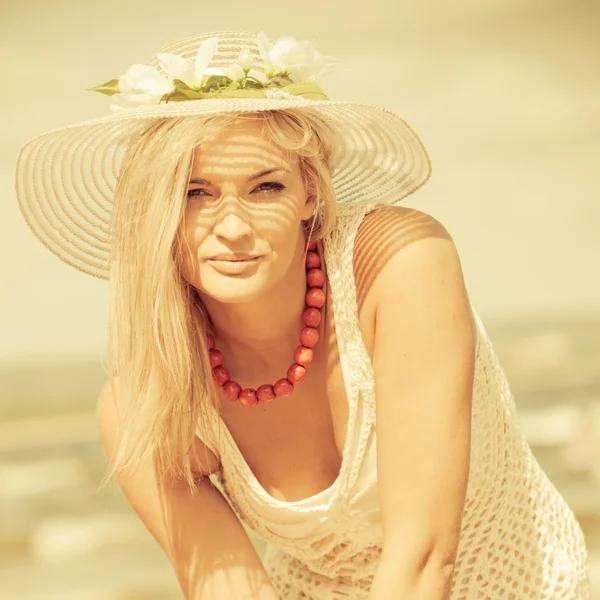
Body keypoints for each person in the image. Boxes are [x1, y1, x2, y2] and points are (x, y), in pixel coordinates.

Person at [15, 30, 590, 600]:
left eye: (265, 187)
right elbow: (230, 591)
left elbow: (422, 561)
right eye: (196, 193)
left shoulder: (399, 263)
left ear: (309, 192)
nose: (234, 227)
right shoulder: (143, 403)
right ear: (156, 211)